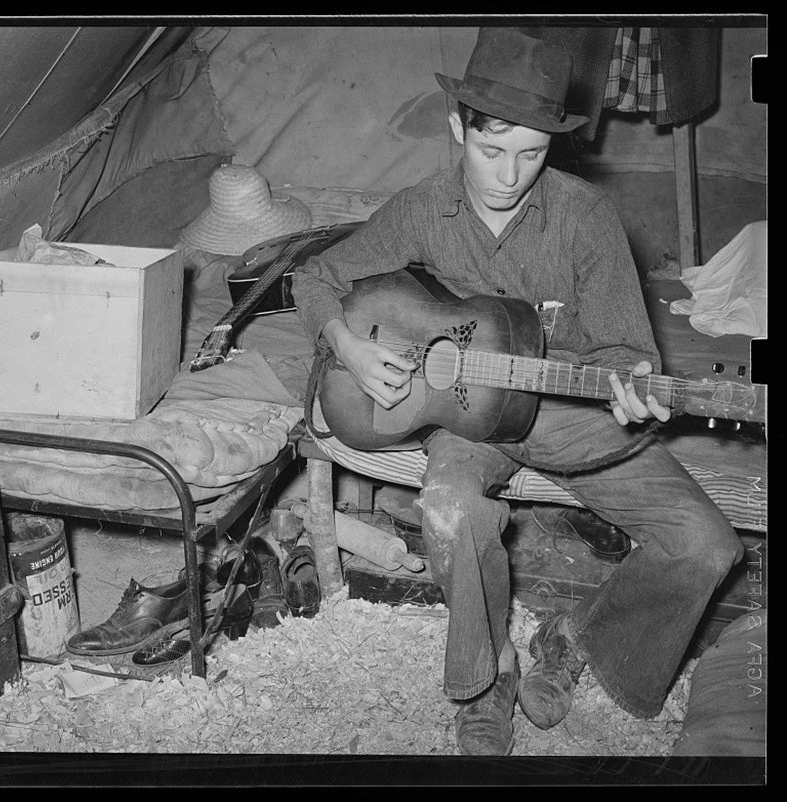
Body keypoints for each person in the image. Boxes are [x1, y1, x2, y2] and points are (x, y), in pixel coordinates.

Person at [291, 27, 743, 756]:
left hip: (569, 416)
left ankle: (576, 640)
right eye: (491, 151)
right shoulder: (420, 207)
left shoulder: (586, 216)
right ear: (457, 129)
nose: (508, 174)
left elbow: (629, 351)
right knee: (452, 509)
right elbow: (313, 279)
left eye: (530, 155)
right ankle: (485, 675)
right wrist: (349, 345)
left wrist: (629, 389)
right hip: (465, 424)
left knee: (707, 546)